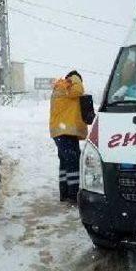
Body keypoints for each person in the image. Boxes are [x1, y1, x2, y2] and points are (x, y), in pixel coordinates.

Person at [49, 70, 88, 203]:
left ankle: (64, 193)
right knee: (73, 162)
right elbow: (79, 90)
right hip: (66, 131)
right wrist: (76, 79)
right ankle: (74, 195)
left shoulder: (61, 87)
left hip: (59, 131)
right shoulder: (69, 86)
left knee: (65, 163)